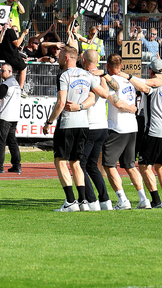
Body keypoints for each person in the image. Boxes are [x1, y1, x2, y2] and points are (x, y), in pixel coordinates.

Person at [43, 45, 97, 212]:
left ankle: (70, 201)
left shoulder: (64, 75)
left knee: (60, 160)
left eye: (60, 56)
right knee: (77, 163)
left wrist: (49, 122)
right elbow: (95, 97)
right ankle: (83, 202)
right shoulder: (87, 75)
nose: (58, 58)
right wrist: (81, 106)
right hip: (83, 124)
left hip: (67, 124)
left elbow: (61, 103)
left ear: (66, 58)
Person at [124, 59, 162, 210]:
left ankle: (156, 200)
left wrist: (126, 76)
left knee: (144, 165)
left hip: (154, 130)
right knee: (161, 166)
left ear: (152, 72)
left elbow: (142, 85)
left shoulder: (151, 85)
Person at [98, 54, 146, 211]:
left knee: (109, 165)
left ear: (107, 67)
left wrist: (130, 108)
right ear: (122, 66)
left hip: (117, 127)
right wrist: (132, 109)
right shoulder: (128, 81)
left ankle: (122, 198)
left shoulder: (111, 80)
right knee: (130, 165)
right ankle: (143, 198)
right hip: (132, 127)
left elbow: (116, 102)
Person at [76, 50, 110, 210]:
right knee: (92, 165)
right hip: (102, 125)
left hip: (91, 125)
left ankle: (91, 201)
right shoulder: (101, 76)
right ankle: (105, 200)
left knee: (80, 164)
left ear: (83, 60)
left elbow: (101, 95)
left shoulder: (86, 77)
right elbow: (109, 90)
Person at [0, 63, 21, 174]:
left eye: (3, 70)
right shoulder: (16, 84)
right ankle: (17, 165)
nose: (1, 72)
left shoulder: (5, 85)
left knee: (1, 142)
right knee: (12, 142)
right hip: (14, 117)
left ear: (9, 71)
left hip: (4, 116)